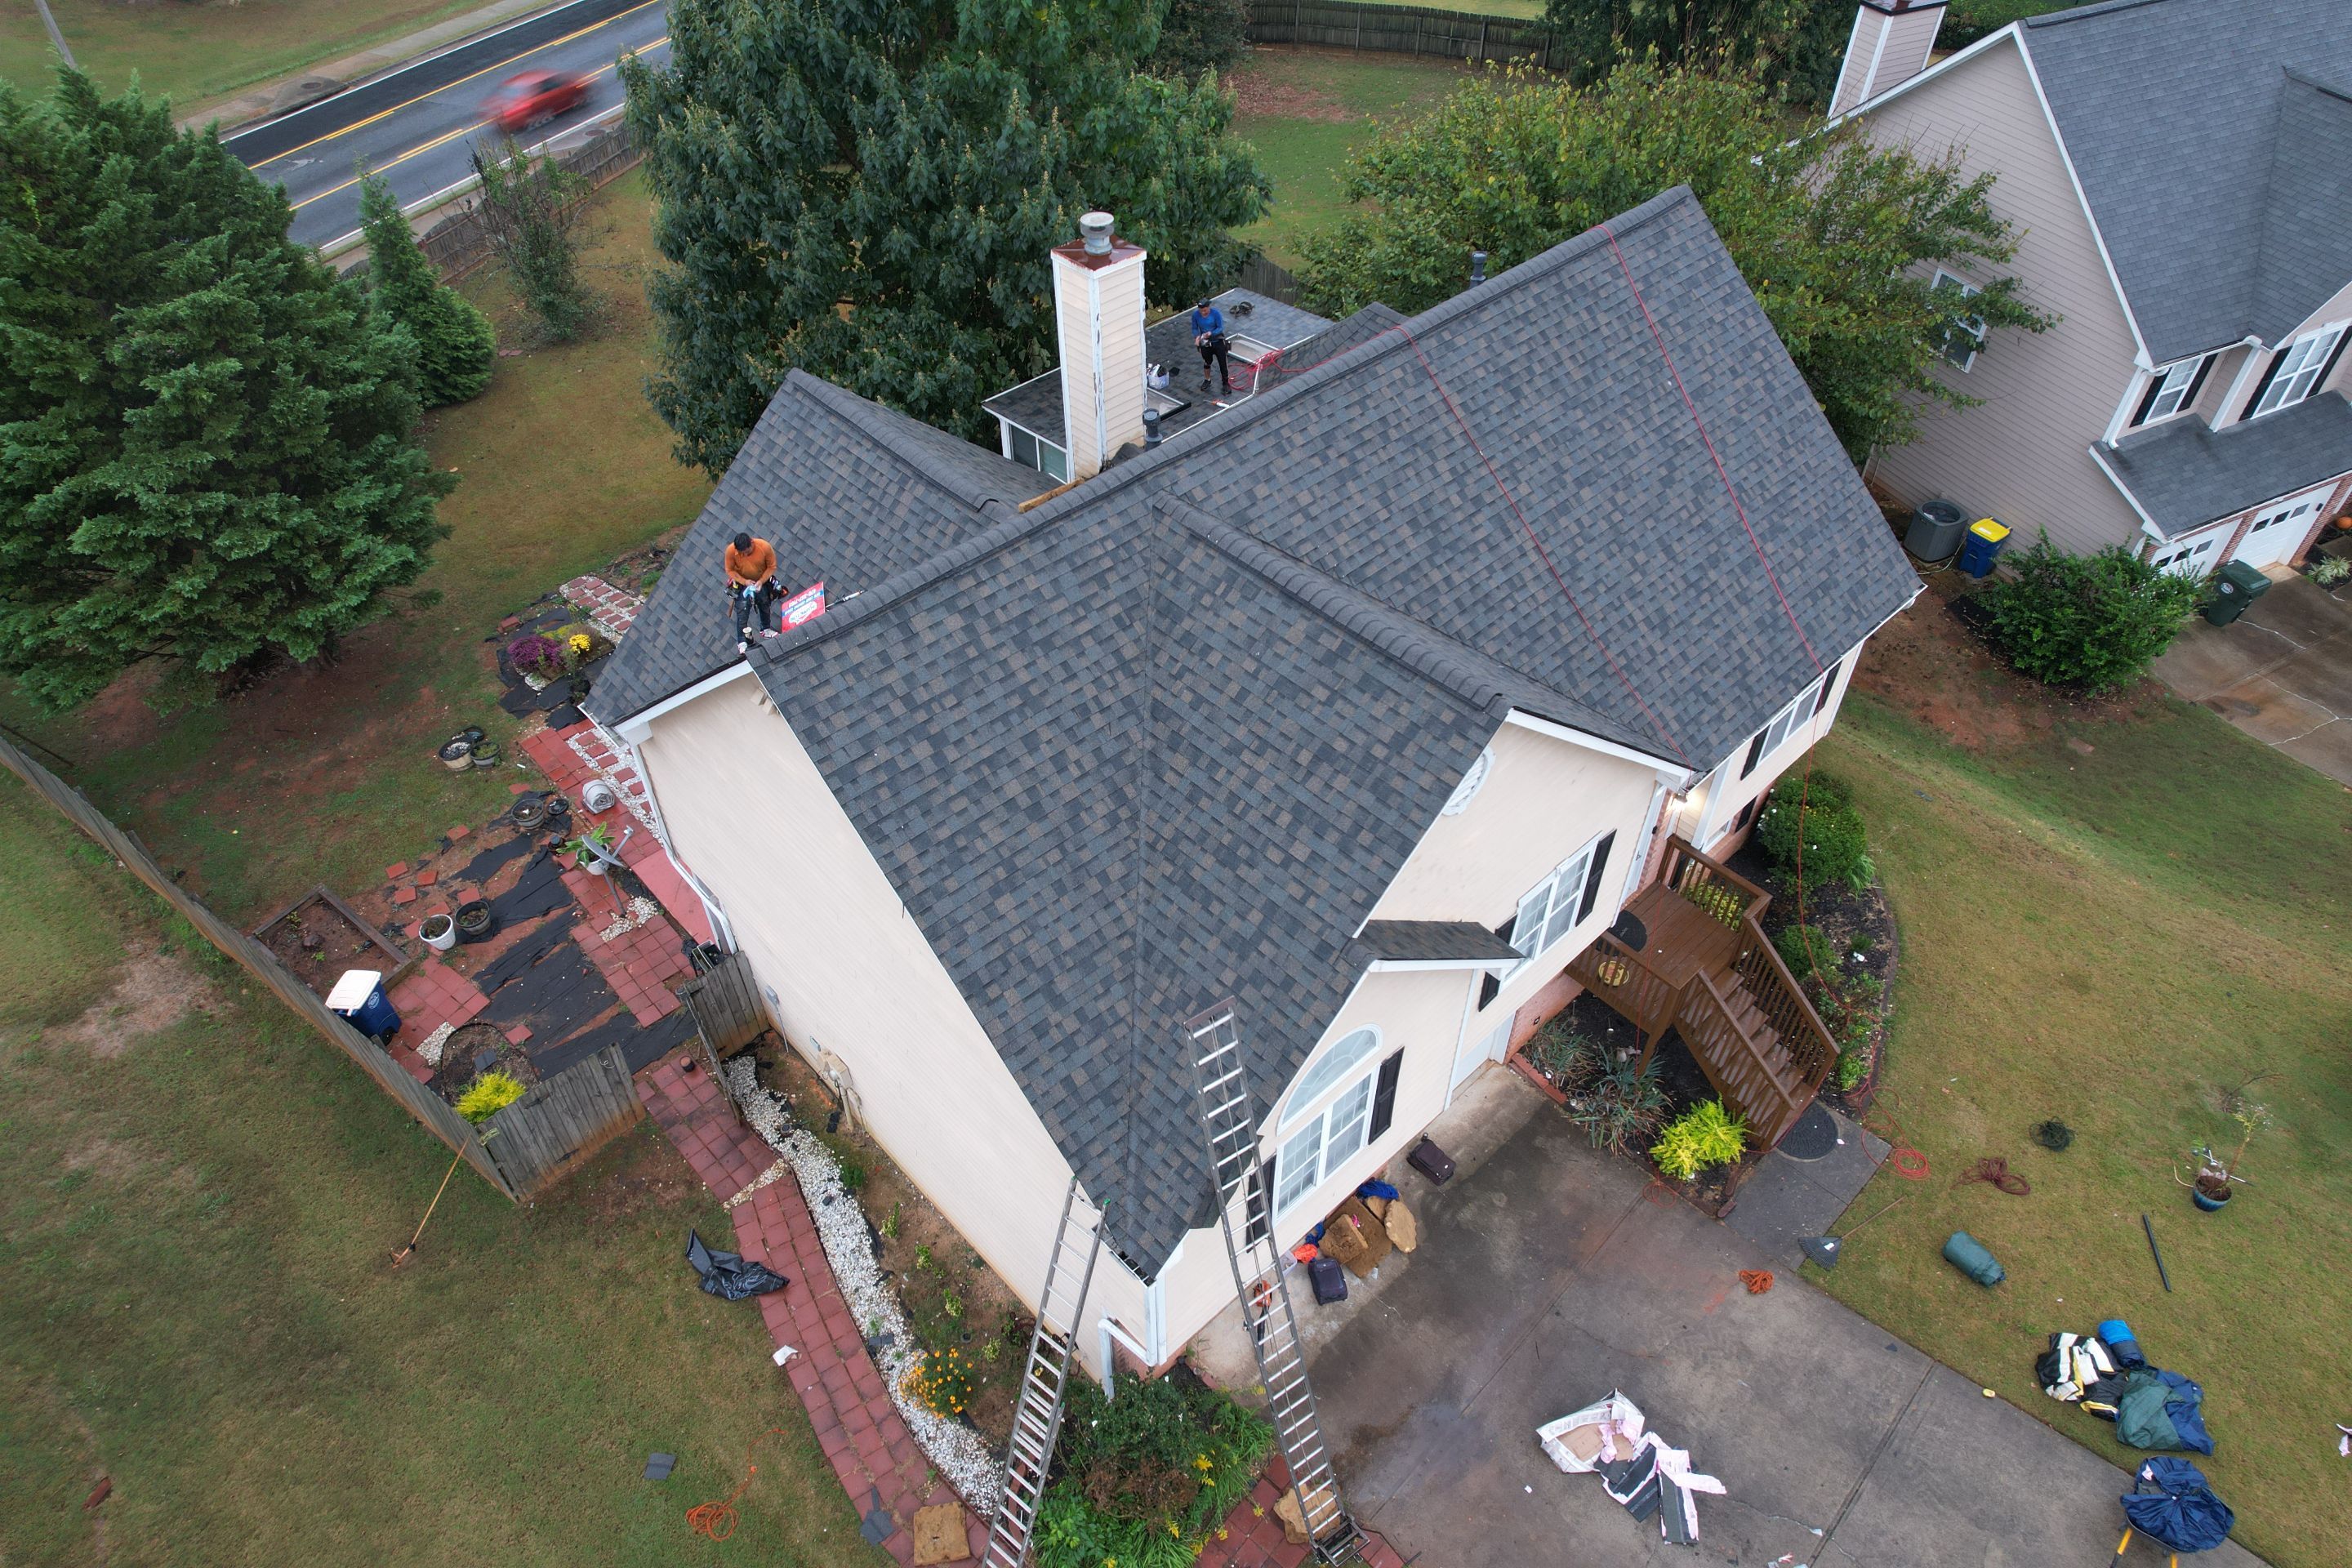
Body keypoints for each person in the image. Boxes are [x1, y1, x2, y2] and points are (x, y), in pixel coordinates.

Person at [724, 530, 780, 647]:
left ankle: (765, 629)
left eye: (747, 552)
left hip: (761, 581)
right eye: (742, 553)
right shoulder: (731, 551)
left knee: (764, 603)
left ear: (751, 542)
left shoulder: (764, 547)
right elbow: (730, 570)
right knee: (742, 610)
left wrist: (761, 581)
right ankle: (742, 641)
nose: (744, 555)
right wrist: (745, 581)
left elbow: (771, 567)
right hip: (742, 584)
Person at [1192, 296, 1231, 397]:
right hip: (1205, 343)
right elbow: (1195, 328)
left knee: (1223, 363)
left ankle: (1226, 383)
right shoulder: (1196, 315)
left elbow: (1220, 328)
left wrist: (1211, 333)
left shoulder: (1215, 314)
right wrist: (1197, 337)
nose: (1203, 313)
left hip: (1217, 341)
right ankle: (1207, 380)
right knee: (1207, 362)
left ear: (1208, 307)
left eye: (1205, 310)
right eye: (1201, 311)